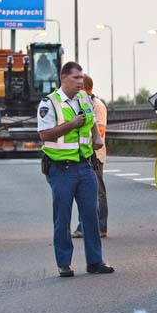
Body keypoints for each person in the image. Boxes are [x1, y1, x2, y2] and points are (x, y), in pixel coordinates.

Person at [37, 62, 113, 278]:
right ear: (64, 78)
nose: (81, 81)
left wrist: (97, 140)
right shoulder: (49, 102)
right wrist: (71, 124)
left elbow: (90, 125)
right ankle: (64, 263)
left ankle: (95, 261)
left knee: (91, 215)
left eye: (82, 77)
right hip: (61, 169)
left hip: (85, 165)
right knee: (62, 218)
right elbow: (44, 135)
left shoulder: (85, 99)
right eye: (76, 77)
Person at [71, 74, 108, 239]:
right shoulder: (82, 104)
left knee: (98, 192)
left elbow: (100, 132)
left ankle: (100, 226)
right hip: (85, 154)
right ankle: (84, 226)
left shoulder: (97, 105)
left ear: (84, 88)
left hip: (95, 155)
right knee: (85, 193)